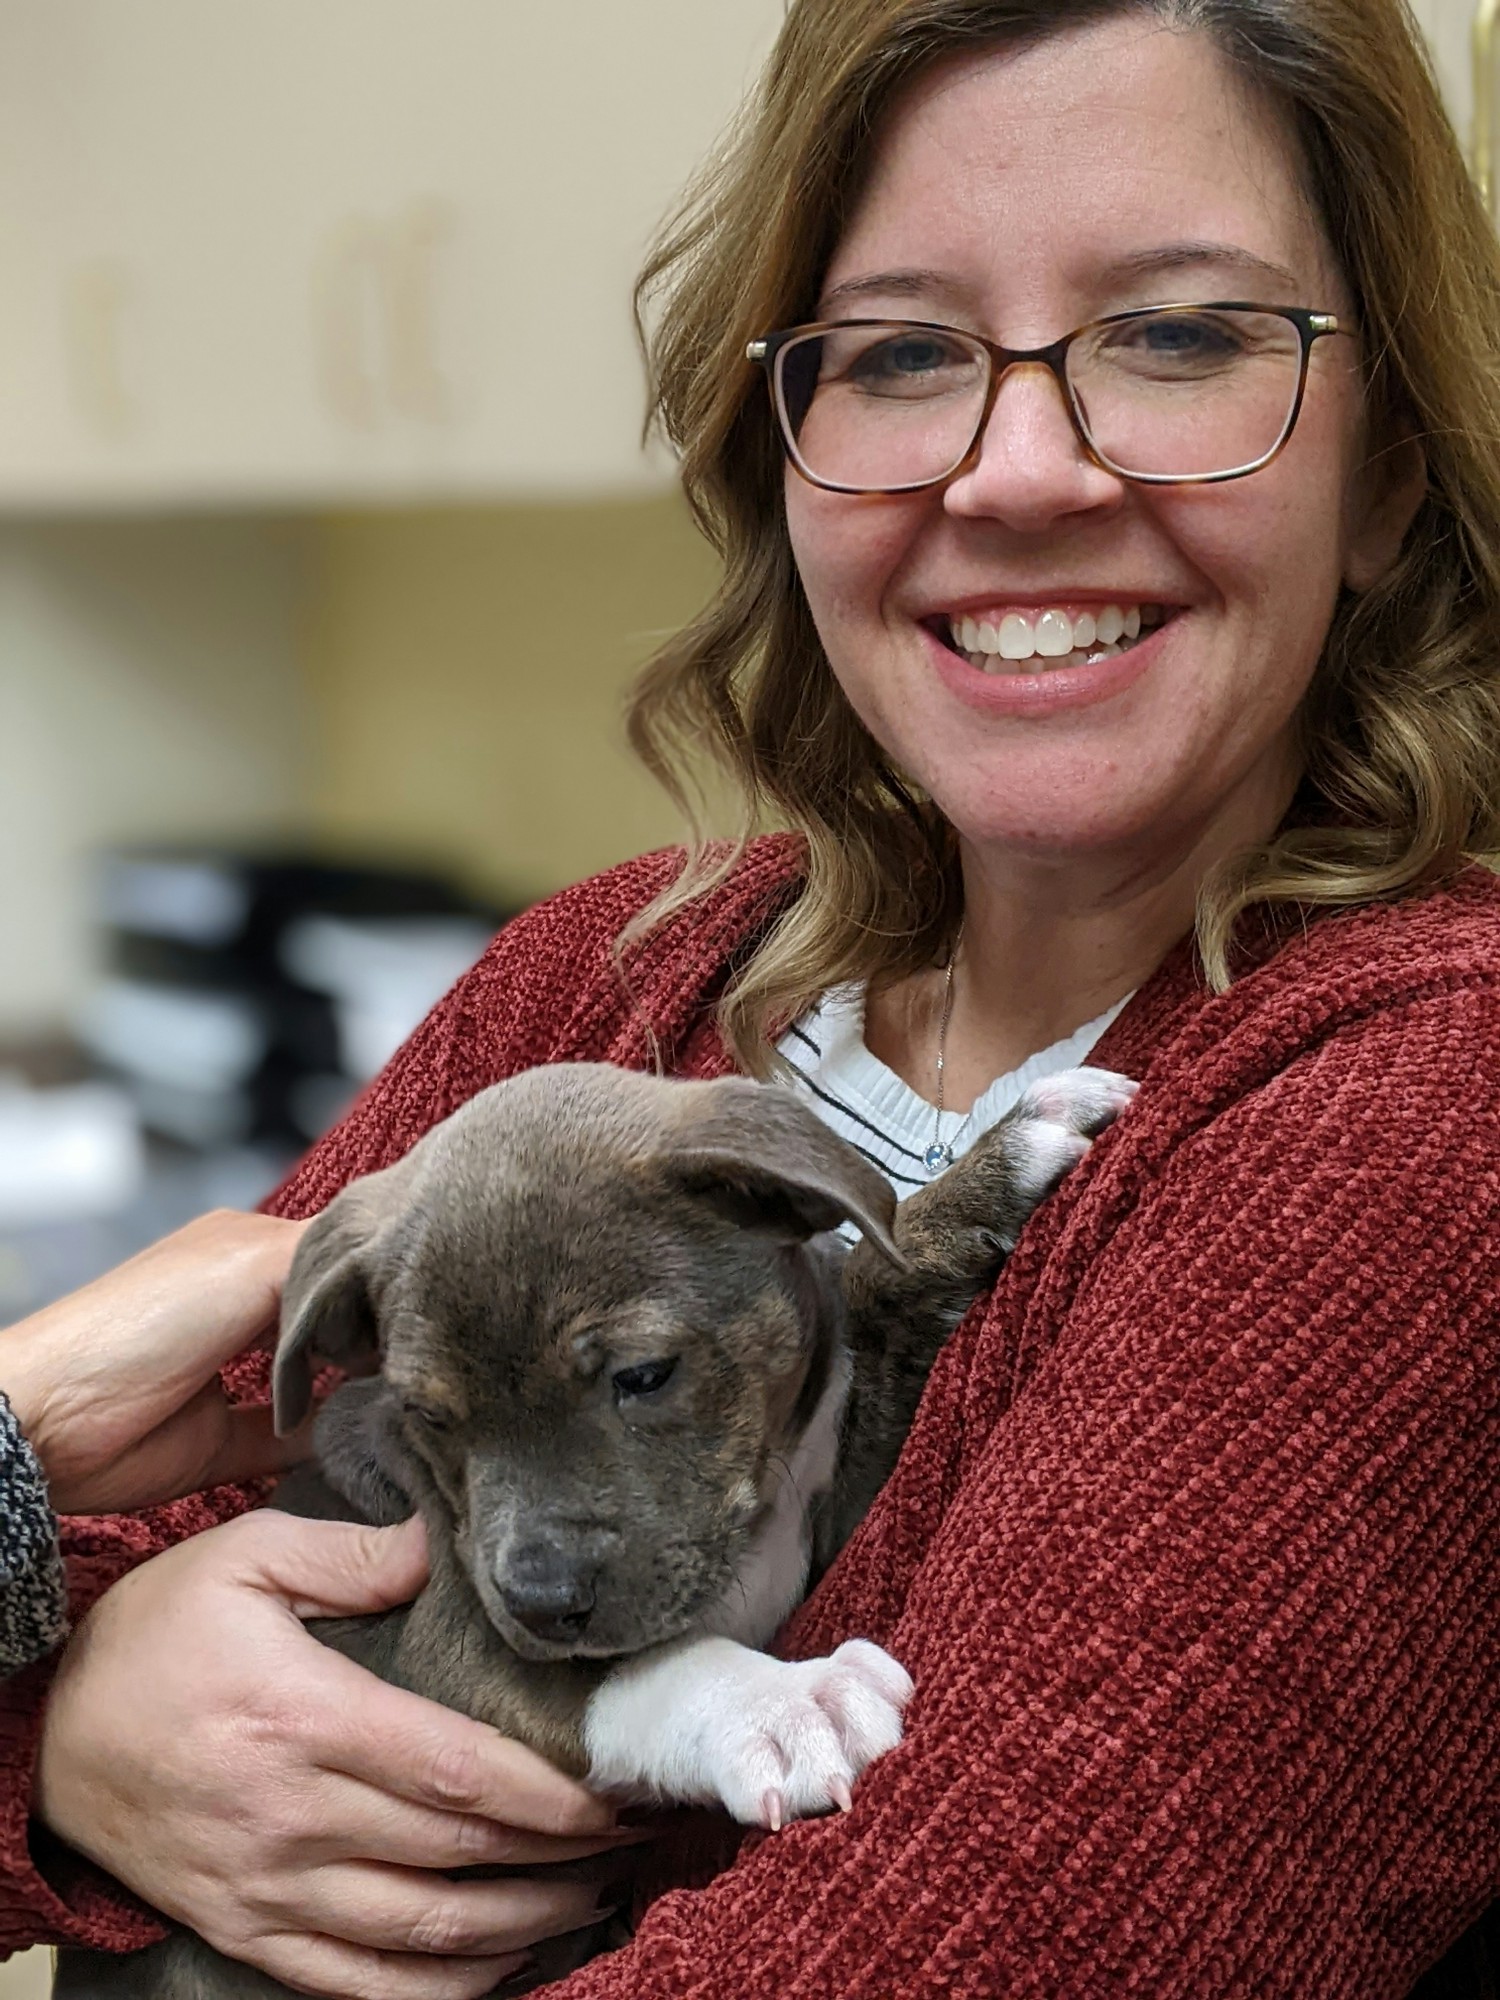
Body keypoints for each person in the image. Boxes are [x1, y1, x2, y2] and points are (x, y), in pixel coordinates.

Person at [2, 0, 1498, 1993]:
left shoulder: (1421, 1111)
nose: (1021, 468)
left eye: (1177, 333)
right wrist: (69, 1721)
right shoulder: (614, 982)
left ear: (1390, 462)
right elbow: (142, 1536)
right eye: (900, 353)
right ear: (785, 446)